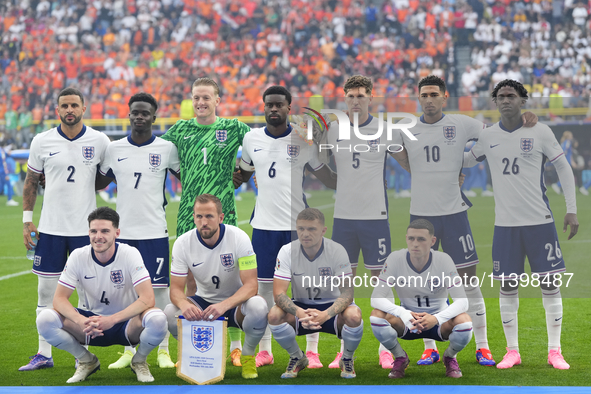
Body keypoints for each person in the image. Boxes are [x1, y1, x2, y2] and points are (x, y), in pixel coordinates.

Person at [391, 75, 537, 366]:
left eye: (434, 94)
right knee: (423, 285)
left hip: (455, 214)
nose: (429, 99)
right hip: (421, 217)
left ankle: (482, 346)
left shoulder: (462, 124)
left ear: (445, 97)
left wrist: (523, 118)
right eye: (424, 95)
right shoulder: (405, 129)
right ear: (418, 99)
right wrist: (416, 172)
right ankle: (429, 347)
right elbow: (399, 154)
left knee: (469, 282)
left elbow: (494, 136)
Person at [467, 79, 578, 370]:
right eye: (501, 96)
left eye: (511, 95)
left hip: (540, 222)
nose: (506, 100)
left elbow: (564, 168)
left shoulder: (540, 131)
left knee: (550, 285)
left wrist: (571, 210)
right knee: (507, 287)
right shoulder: (488, 135)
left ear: (522, 100)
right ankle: (512, 351)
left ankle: (555, 351)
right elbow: (467, 160)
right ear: (495, 101)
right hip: (505, 227)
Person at [237, 85, 337, 368]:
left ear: (288, 108)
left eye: (279, 104)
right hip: (264, 227)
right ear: (264, 106)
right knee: (265, 291)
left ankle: (313, 351)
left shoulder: (303, 138)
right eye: (269, 104)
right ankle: (265, 351)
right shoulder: (251, 138)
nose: (273, 109)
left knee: (306, 289)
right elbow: (242, 174)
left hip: (299, 228)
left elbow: (328, 177)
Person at [20, 88, 110, 371]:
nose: (69, 109)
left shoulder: (100, 141)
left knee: (86, 295)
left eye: (74, 105)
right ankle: (43, 353)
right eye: (64, 105)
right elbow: (31, 181)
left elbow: (104, 179)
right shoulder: (42, 140)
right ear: (57, 109)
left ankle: (82, 357)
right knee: (45, 293)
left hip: (86, 231)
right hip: (51, 228)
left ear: (84, 108)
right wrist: (27, 220)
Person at [326, 75, 410, 368]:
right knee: (343, 289)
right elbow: (312, 158)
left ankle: (386, 348)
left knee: (382, 287)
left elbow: (410, 163)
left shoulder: (387, 130)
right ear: (345, 99)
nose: (356, 100)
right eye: (351, 96)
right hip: (343, 220)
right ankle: (343, 350)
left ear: (370, 98)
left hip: (376, 218)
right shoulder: (333, 130)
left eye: (361, 95)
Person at [161, 78, 248, 359]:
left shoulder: (233, 127)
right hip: (189, 211)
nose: (201, 102)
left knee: (231, 277)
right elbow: (154, 152)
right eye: (196, 97)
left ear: (217, 100)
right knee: (189, 282)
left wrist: (244, 175)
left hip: (225, 212)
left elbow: (260, 145)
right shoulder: (180, 128)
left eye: (206, 98)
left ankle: (235, 347)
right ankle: (200, 346)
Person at [35, 207, 168, 383]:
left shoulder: (130, 254)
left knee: (159, 319)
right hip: (89, 325)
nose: (98, 236)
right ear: (88, 233)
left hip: (126, 324)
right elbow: (59, 299)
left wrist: (112, 319)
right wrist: (80, 320)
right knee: (44, 319)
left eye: (105, 231)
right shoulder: (78, 256)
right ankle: (86, 360)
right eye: (93, 231)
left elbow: (148, 298)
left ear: (117, 232)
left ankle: (139, 360)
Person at [98, 92, 180, 369]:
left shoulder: (167, 148)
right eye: (135, 112)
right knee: (127, 294)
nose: (139, 117)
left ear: (154, 118)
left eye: (145, 113)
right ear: (129, 114)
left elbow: (187, 176)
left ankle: (163, 352)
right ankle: (128, 351)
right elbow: (98, 181)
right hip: (124, 234)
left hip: (155, 232)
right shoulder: (114, 149)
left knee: (159, 294)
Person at [163, 193, 268, 379]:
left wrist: (224, 305)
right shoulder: (182, 243)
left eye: (209, 216)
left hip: (235, 305)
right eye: (199, 216)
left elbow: (252, 286)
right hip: (203, 303)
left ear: (221, 218)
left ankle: (248, 355)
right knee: (170, 313)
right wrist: (186, 305)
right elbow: (176, 290)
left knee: (259, 306)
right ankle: (194, 355)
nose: (204, 222)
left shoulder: (239, 238)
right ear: (194, 217)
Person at [370, 219, 473, 379]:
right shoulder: (395, 259)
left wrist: (436, 318)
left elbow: (462, 301)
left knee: (465, 321)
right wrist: (403, 313)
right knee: (376, 315)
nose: (415, 244)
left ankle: (450, 357)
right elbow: (376, 298)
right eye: (411, 238)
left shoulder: (443, 260)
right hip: (407, 322)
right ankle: (400, 357)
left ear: (432, 241)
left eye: (421, 239)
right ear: (406, 239)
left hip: (438, 324)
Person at [269, 208, 362, 379]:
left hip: (332, 308)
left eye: (311, 229)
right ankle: (298, 357)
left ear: (323, 231)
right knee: (274, 314)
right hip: (302, 308)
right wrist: (299, 312)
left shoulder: (337, 250)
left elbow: (348, 293)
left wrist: (326, 314)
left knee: (354, 315)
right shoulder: (287, 251)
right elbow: (279, 294)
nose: (305, 234)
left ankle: (346, 359)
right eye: (301, 229)